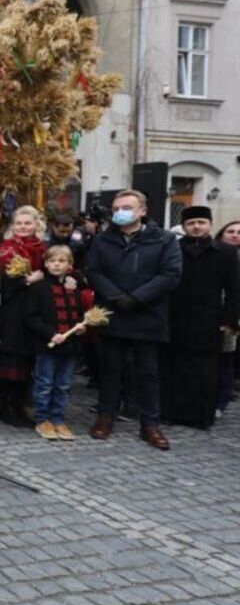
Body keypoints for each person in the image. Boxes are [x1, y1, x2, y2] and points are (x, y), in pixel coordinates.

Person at [84, 189, 182, 450]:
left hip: (148, 315)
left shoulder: (164, 239)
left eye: (126, 207)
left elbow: (170, 274)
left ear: (142, 211)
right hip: (113, 313)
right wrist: (115, 296)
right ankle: (106, 416)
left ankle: (150, 424)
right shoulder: (103, 240)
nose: (120, 213)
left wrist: (137, 298)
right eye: (116, 209)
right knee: (110, 369)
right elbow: (92, 270)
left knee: (148, 373)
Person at [160, 206, 239, 429]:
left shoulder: (225, 252)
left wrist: (229, 319)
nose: (196, 227)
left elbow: (233, 288)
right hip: (176, 315)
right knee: (174, 365)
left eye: (201, 222)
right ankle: (172, 412)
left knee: (205, 368)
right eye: (191, 223)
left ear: (210, 224)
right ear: (184, 226)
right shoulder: (173, 248)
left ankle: (201, 415)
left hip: (209, 319)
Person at [0, 206, 47, 428]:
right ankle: (6, 407)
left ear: (36, 225)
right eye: (19, 223)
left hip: (34, 312)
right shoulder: (5, 250)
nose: (23, 227)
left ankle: (19, 406)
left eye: (27, 223)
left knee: (27, 360)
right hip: (10, 311)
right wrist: (25, 281)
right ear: (12, 227)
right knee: (9, 359)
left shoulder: (42, 249)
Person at [24, 245, 84, 441]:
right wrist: (50, 334)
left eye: (61, 261)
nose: (57, 264)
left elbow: (78, 314)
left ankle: (58, 418)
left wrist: (81, 327)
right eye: (52, 261)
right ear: (46, 264)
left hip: (69, 345)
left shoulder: (73, 288)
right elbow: (31, 317)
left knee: (64, 384)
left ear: (69, 265)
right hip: (47, 345)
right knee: (45, 382)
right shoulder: (38, 288)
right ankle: (43, 418)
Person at [217, 219, 240, 418]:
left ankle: (222, 399)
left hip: (232, 315)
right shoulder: (218, 254)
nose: (235, 235)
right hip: (217, 314)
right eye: (230, 231)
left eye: (238, 232)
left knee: (226, 358)